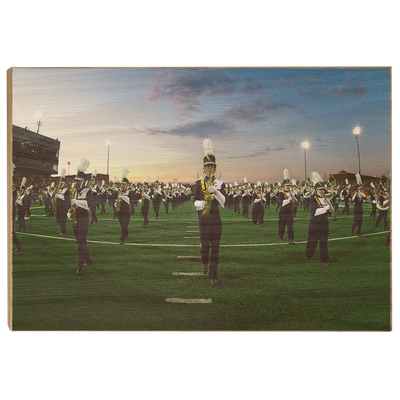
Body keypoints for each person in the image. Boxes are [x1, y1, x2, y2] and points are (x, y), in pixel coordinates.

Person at [193, 138, 226, 285]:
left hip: (215, 218)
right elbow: (194, 201)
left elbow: (225, 202)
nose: (210, 169)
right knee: (205, 247)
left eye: (212, 166)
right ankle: (204, 261)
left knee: (216, 248)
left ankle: (213, 275)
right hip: (203, 219)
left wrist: (216, 192)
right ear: (204, 168)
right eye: (207, 167)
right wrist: (200, 203)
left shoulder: (220, 183)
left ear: (215, 167)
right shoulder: (199, 183)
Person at [69, 158, 93, 275]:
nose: (76, 183)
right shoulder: (74, 192)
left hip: (84, 220)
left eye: (78, 181)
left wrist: (77, 203)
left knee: (80, 243)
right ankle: (88, 259)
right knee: (80, 241)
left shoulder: (88, 191)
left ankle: (80, 266)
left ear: (83, 182)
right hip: (75, 220)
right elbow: (71, 205)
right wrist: (69, 213)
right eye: (75, 181)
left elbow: (91, 204)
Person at [305, 172, 332, 268]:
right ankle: (309, 255)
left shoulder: (326, 199)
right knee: (313, 241)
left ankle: (324, 260)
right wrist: (326, 208)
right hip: (315, 224)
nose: (322, 191)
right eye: (320, 190)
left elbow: (328, 212)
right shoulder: (313, 200)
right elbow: (314, 212)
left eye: (323, 190)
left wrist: (330, 209)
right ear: (316, 191)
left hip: (324, 224)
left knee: (324, 243)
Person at [117, 168, 135, 245]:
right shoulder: (119, 192)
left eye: (124, 184)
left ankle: (122, 239)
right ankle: (125, 234)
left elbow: (133, 198)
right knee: (122, 225)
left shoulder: (130, 192)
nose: (122, 185)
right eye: (121, 184)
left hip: (127, 210)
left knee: (124, 225)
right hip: (120, 210)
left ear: (127, 185)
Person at [277, 169, 296, 245]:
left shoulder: (292, 193)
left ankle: (290, 239)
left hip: (290, 212)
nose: (288, 187)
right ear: (284, 186)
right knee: (282, 226)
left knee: (290, 227)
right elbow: (281, 203)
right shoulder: (281, 194)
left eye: (289, 185)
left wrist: (293, 199)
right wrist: (290, 199)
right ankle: (280, 236)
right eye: (286, 185)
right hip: (283, 212)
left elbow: (294, 203)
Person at [54, 168, 70, 236]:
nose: (60, 184)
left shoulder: (66, 190)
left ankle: (63, 231)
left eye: (62, 183)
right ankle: (62, 230)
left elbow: (67, 199)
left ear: (65, 184)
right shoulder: (59, 190)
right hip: (59, 207)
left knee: (63, 220)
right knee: (60, 220)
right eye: (60, 183)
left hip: (63, 207)